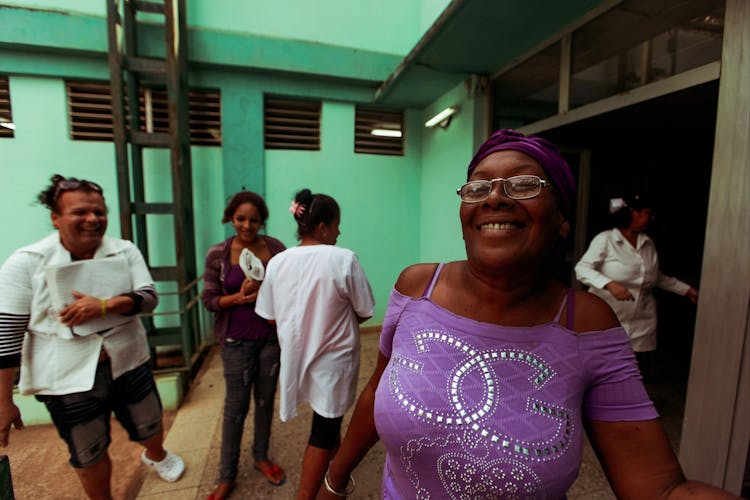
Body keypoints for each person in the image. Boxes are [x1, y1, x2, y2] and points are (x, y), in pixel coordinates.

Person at [320, 130, 736, 499]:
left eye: (523, 184)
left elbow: (659, 487)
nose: (496, 197)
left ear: (562, 220)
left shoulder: (587, 324)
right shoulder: (416, 288)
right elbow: (378, 388)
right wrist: (333, 481)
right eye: (478, 188)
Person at [0, 174, 184, 500]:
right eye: (80, 212)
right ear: (55, 217)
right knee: (88, 449)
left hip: (128, 360)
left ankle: (156, 455)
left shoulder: (124, 250)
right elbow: (7, 335)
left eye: (99, 212)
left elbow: (149, 297)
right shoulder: (25, 263)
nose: (93, 219)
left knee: (149, 421)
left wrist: (103, 306)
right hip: (67, 378)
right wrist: (3, 400)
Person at [254, 189, 375, 500]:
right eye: (336, 225)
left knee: (328, 419)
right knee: (322, 430)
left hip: (296, 359)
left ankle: (337, 467)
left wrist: (302, 326)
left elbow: (269, 316)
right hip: (333, 363)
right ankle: (307, 495)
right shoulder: (343, 259)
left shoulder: (278, 262)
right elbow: (364, 311)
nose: (339, 232)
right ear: (322, 226)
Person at [202, 191, 287, 499]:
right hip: (236, 342)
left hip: (270, 340)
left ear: (262, 220)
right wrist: (238, 297)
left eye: (253, 220)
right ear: (230, 218)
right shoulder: (218, 254)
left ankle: (261, 456)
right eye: (241, 219)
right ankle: (227, 476)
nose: (247, 226)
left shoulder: (276, 249)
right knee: (235, 409)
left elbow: (290, 286)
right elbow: (209, 300)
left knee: (265, 402)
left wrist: (267, 287)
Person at [575, 195, 698, 378]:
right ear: (633, 213)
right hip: (609, 315)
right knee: (599, 368)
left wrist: (686, 290)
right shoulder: (607, 239)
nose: (651, 218)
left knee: (628, 370)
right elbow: (582, 268)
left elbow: (654, 278)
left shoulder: (647, 243)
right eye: (647, 213)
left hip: (641, 317)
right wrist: (610, 284)